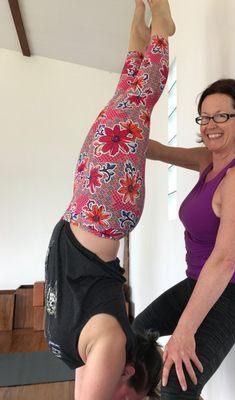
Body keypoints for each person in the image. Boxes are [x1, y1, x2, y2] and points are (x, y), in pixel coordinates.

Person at [44, 1, 176, 399]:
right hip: (104, 207)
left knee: (128, 90)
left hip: (86, 202)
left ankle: (141, 20)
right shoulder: (111, 351)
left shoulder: (92, 359)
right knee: (143, 97)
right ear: (129, 372)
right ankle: (163, 23)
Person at [133, 78, 235, 399]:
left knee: (178, 386)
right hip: (197, 281)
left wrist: (183, 332)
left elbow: (224, 261)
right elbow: (159, 151)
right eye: (204, 117)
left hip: (234, 291)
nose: (211, 125)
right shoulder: (207, 161)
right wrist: (124, 128)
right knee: (134, 339)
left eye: (221, 116)